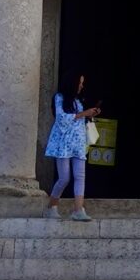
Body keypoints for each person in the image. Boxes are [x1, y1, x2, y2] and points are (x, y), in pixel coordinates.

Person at [43, 73, 99, 222]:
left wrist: (89, 114)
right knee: (64, 177)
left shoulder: (78, 100)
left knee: (80, 176)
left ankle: (78, 209)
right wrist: (83, 114)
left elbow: (77, 118)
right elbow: (61, 118)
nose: (81, 86)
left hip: (78, 143)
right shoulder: (59, 98)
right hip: (64, 144)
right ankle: (51, 207)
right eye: (79, 83)